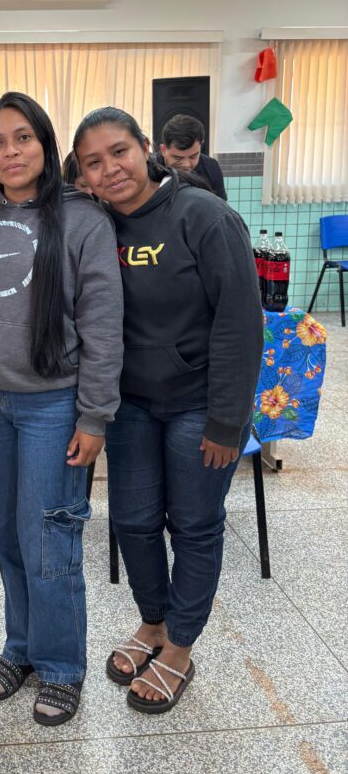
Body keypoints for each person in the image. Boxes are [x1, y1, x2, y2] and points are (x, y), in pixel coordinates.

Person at [73, 107, 262, 714]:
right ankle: (151, 623)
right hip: (130, 403)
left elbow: (240, 322)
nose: (110, 169)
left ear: (145, 149)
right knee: (131, 520)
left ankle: (179, 645)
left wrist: (227, 421)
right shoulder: (98, 224)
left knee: (194, 525)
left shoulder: (203, 216)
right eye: (93, 162)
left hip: (199, 405)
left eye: (119, 152)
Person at [0, 93, 124, 726]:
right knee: (0, 531)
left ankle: (60, 665)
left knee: (48, 535)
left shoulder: (82, 218)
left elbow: (104, 324)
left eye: (22, 138)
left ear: (46, 145)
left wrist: (94, 416)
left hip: (54, 405)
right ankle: (20, 647)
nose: (11, 152)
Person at [157, 113, 227, 200]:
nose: (186, 164)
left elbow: (221, 206)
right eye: (178, 158)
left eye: (193, 156)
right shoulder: (150, 169)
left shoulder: (211, 167)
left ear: (201, 146)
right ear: (163, 150)